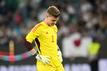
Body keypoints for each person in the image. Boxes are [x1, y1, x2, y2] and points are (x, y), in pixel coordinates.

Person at [25, 5, 64, 71]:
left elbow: (53, 42)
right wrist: (38, 56)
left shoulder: (54, 27)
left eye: (56, 21)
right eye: (53, 20)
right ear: (47, 16)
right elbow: (26, 42)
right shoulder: (39, 27)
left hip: (57, 63)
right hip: (45, 64)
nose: (54, 22)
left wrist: (58, 51)